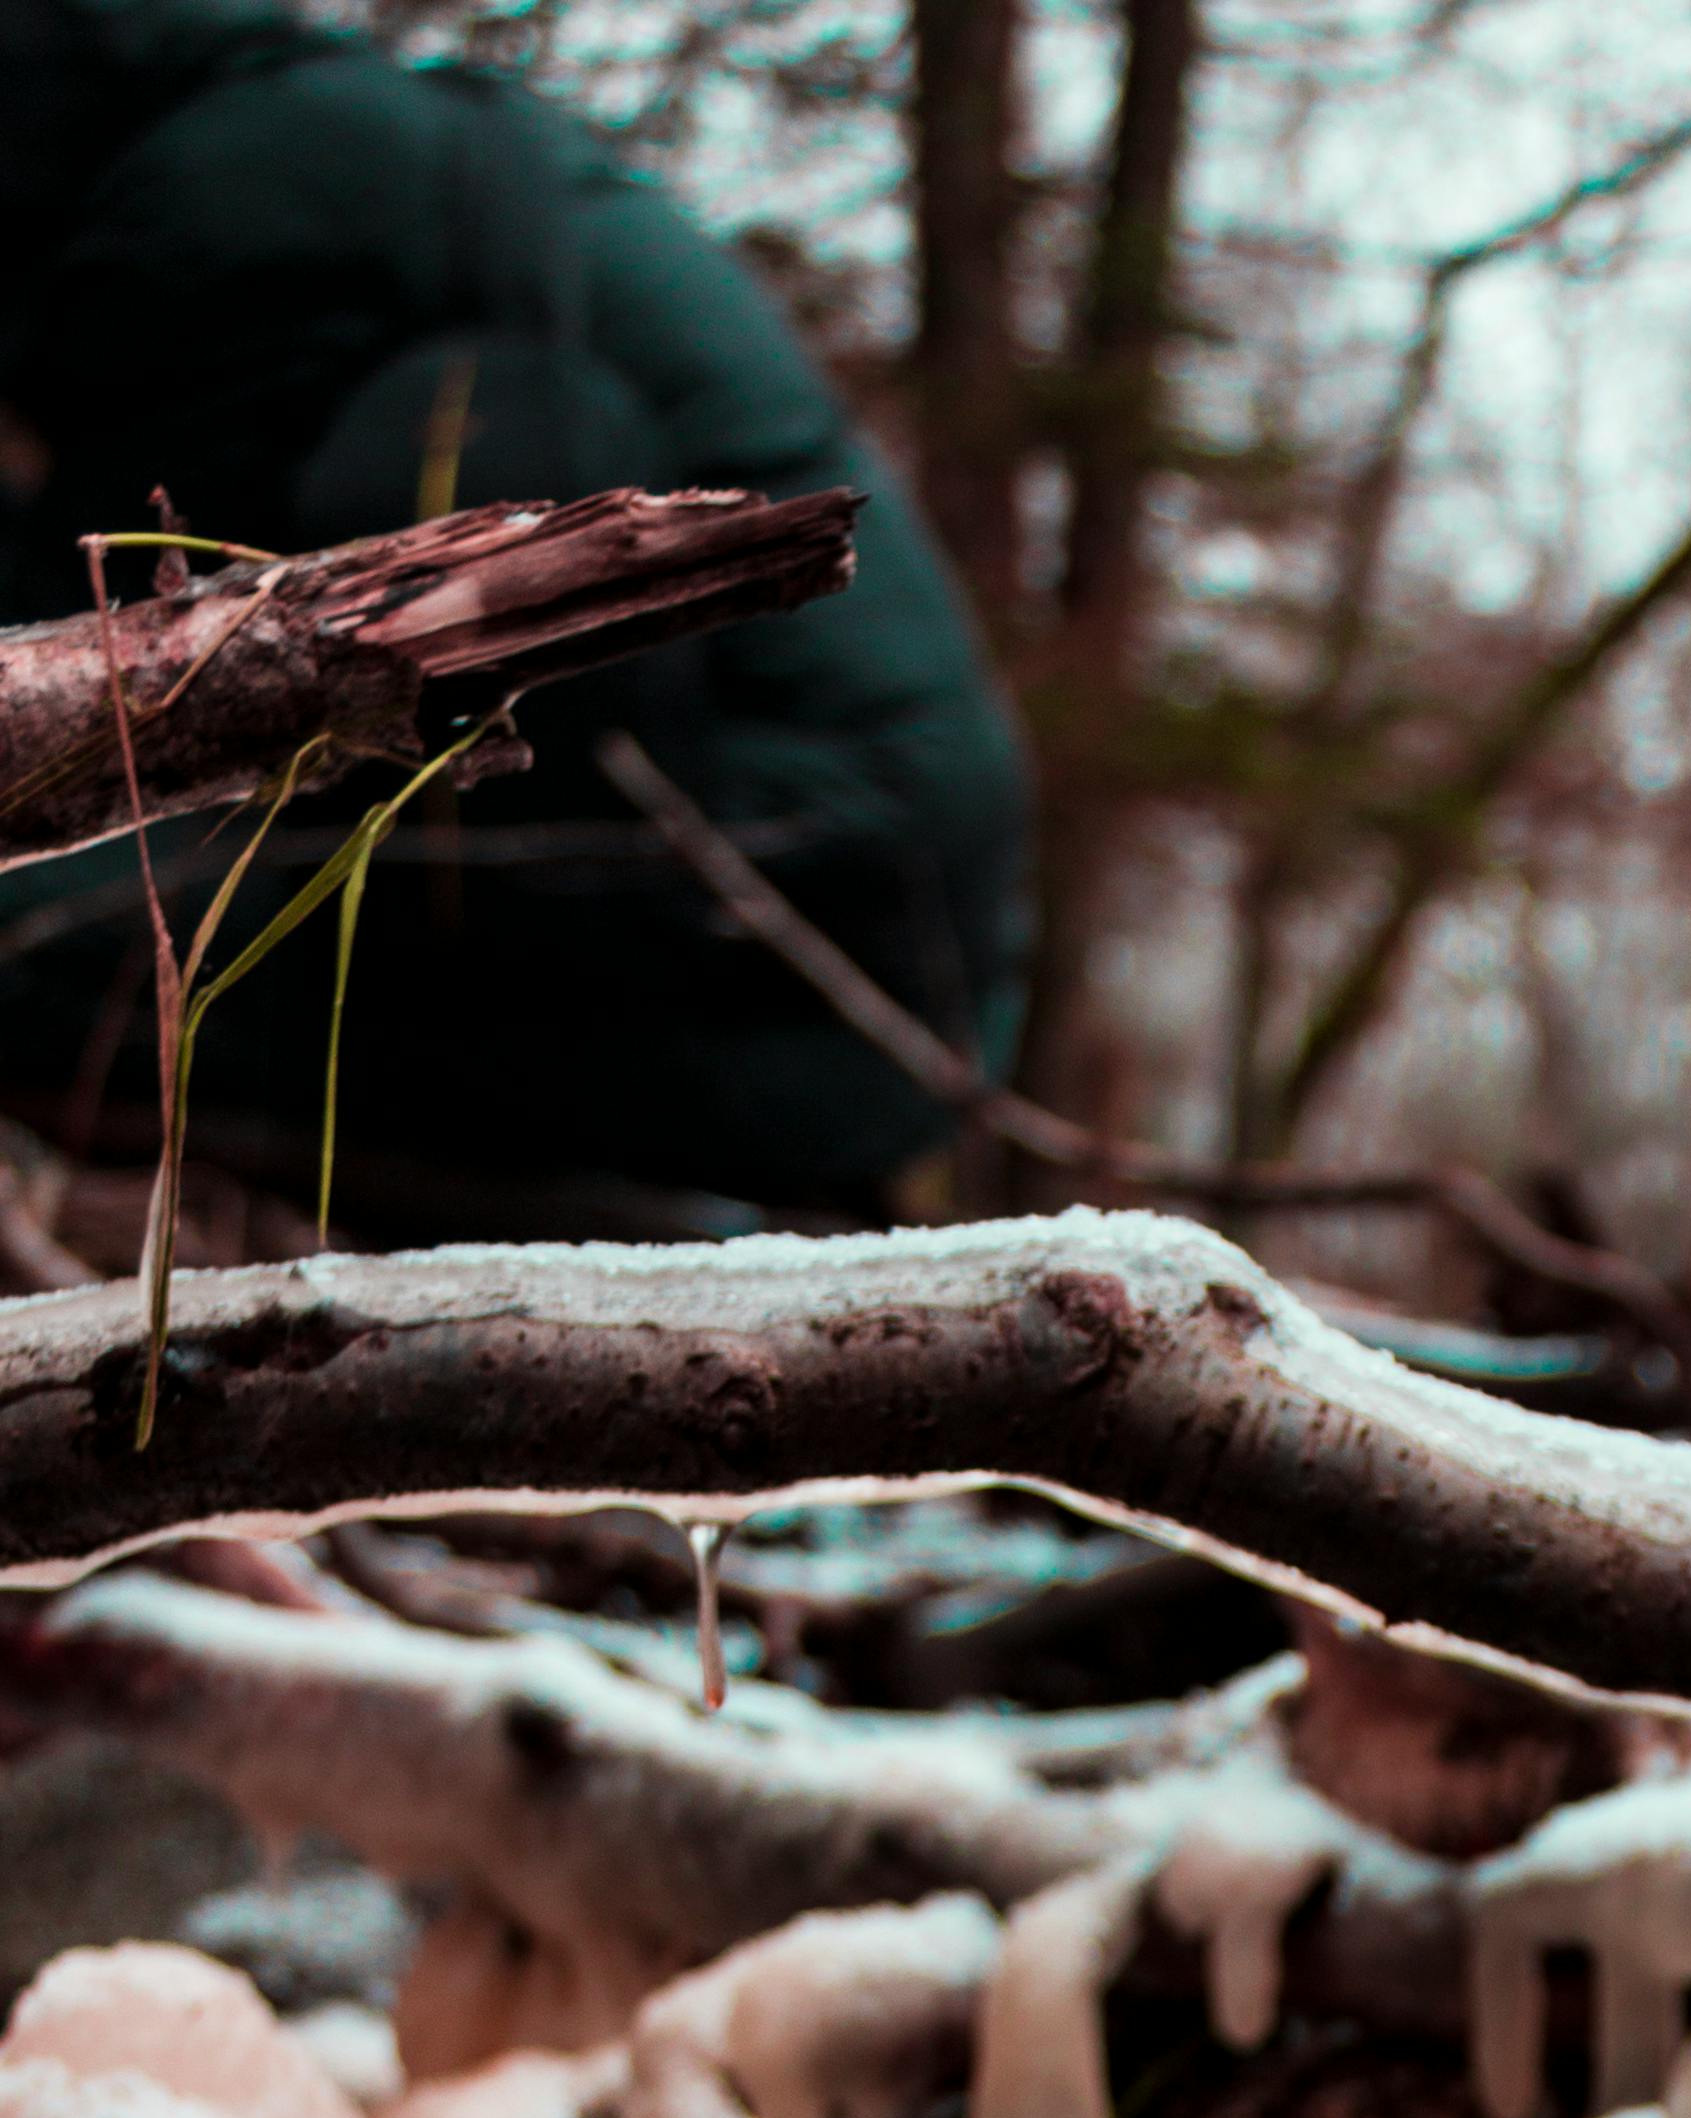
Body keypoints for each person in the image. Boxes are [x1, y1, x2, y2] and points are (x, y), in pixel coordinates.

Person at [0, 0, 1032, 1225]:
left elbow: (128, 677)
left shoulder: (229, 201)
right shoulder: (295, 131)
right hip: (888, 944)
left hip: (765, 934)